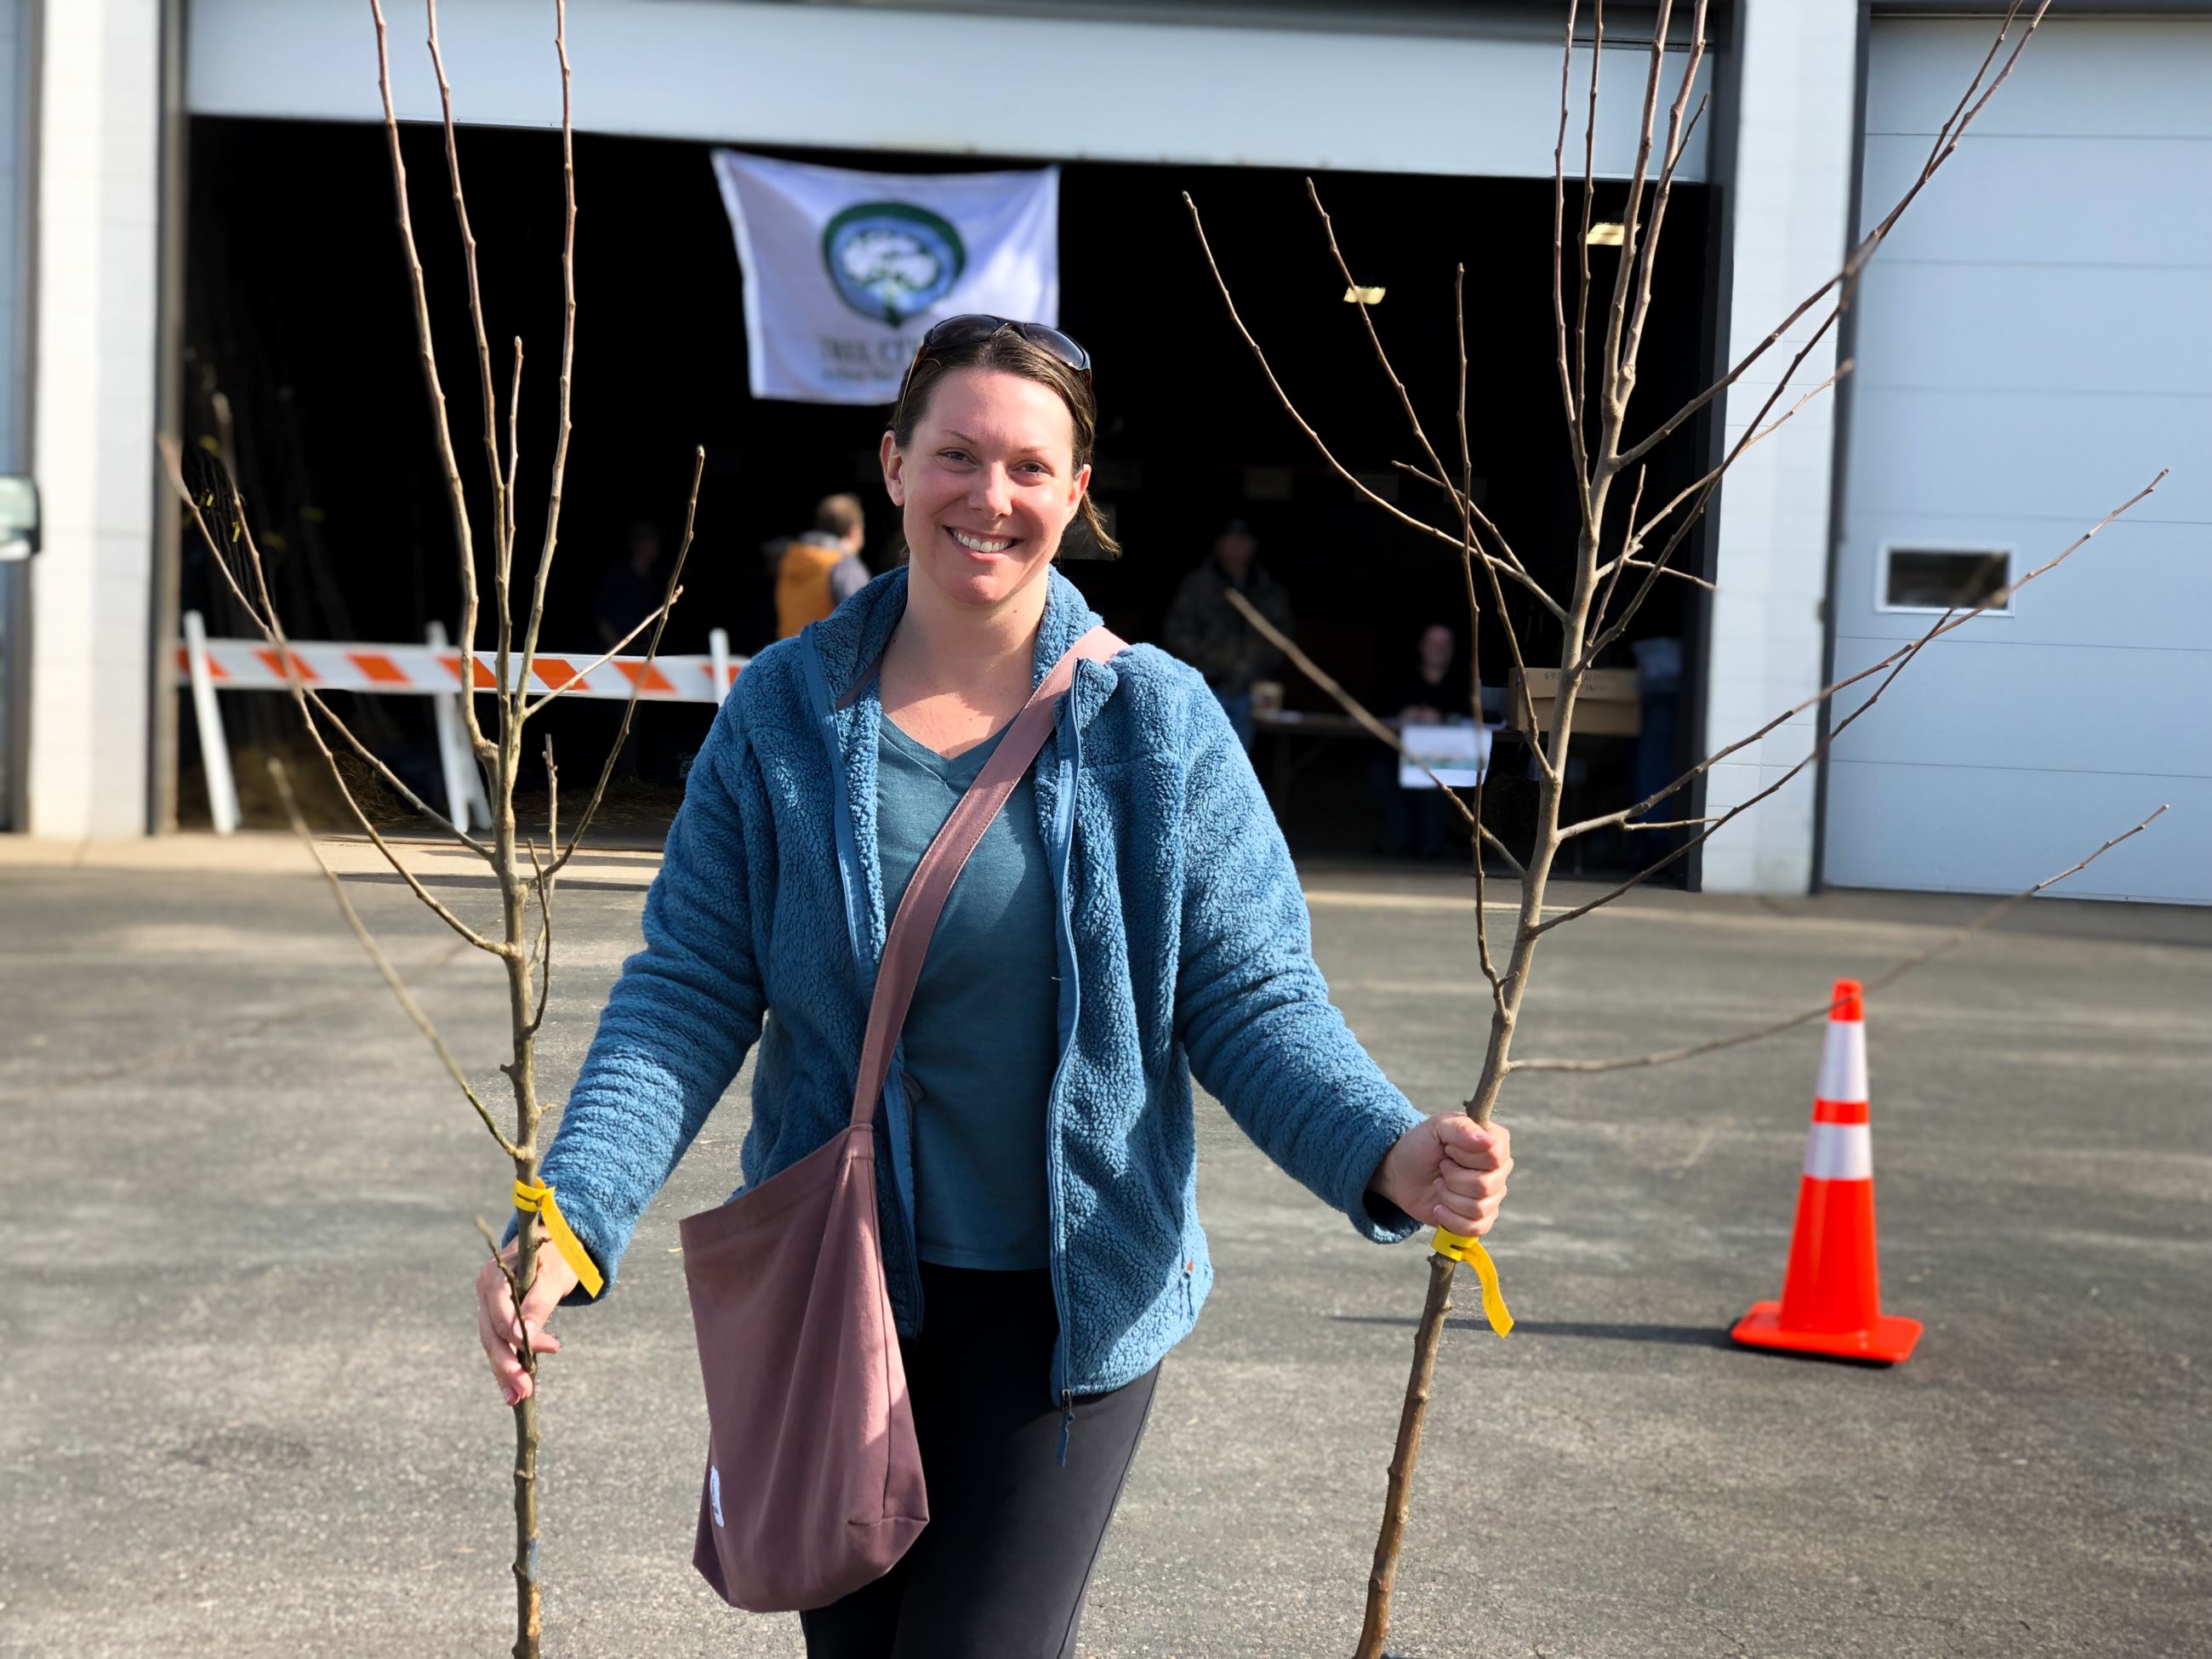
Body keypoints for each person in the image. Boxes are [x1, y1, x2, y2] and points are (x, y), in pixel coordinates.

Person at [475, 315, 1513, 1656]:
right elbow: (685, 990)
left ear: (1077, 497)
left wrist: (1388, 1148)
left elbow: (1253, 997)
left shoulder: (1162, 726)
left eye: (1030, 466)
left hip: (1071, 1314)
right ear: (897, 463)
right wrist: (571, 1212)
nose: (990, 495)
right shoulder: (782, 715)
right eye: (956, 454)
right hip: (838, 1294)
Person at [1160, 518, 1293, 748]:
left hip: (1251, 691)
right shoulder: (1198, 585)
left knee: (1240, 760)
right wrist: (1210, 661)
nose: (1238, 546)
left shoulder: (1267, 589)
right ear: (1219, 544)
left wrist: (1258, 665)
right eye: (1232, 539)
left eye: (1245, 540)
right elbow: (1177, 632)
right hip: (1207, 686)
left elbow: (1282, 638)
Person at [1376, 622, 1474, 861]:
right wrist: (1404, 714)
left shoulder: (1464, 682)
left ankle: (1431, 850)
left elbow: (1482, 716)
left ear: (1452, 649)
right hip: (1399, 754)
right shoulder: (1402, 678)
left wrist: (1442, 717)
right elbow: (1381, 710)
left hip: (1448, 758)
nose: (1438, 649)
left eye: (1444, 644)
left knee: (1435, 785)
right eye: (1433, 643)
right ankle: (1403, 847)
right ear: (1421, 647)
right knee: (1381, 772)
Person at [772, 491, 872, 639]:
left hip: (789, 657)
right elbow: (864, 627)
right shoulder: (845, 568)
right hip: (829, 660)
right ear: (854, 531)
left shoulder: (790, 560)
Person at [594, 521, 665, 653]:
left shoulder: (656, 579)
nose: (656, 546)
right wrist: (616, 646)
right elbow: (600, 614)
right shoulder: (618, 575)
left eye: (656, 541)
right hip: (617, 651)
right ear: (636, 544)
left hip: (644, 651)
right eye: (650, 540)